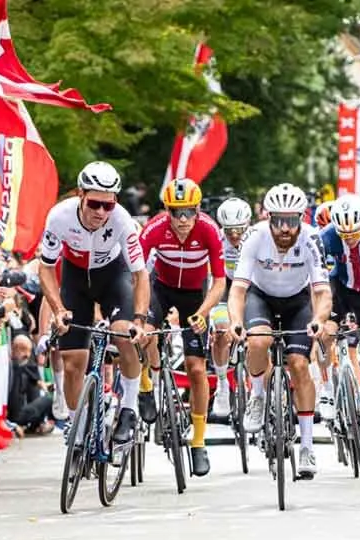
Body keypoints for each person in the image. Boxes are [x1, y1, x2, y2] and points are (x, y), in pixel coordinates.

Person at [37, 162, 148, 445]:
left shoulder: (122, 220)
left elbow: (140, 274)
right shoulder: (59, 217)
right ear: (80, 194)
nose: (101, 212)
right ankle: (77, 424)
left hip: (113, 278)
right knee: (73, 362)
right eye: (95, 204)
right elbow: (46, 268)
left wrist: (139, 320)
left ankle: (129, 408)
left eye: (108, 205)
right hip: (75, 280)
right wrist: (58, 309)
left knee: (124, 334)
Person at [229, 182, 331, 478]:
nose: (285, 228)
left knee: (299, 365)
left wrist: (319, 319)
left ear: (302, 218)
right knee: (258, 342)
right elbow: (238, 290)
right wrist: (236, 321)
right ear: (268, 218)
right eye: (278, 221)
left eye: (292, 220)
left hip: (297, 301)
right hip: (261, 297)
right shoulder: (255, 236)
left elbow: (322, 292)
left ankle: (307, 447)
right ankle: (258, 395)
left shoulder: (312, 238)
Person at [139, 178, 226, 476]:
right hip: (160, 288)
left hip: (194, 295)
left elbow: (219, 282)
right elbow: (136, 272)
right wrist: (138, 312)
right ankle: (146, 385)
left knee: (196, 369)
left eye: (189, 212)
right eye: (176, 213)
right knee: (145, 334)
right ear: (167, 211)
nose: (183, 220)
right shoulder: (154, 228)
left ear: (198, 209)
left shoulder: (209, 230)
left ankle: (199, 442)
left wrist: (203, 313)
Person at [319, 194, 360, 459]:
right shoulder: (326, 237)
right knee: (325, 334)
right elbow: (319, 278)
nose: (349, 239)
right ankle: (327, 391)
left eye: (354, 234)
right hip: (342, 291)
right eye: (343, 235)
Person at [210, 197, 254, 416]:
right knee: (220, 332)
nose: (234, 235)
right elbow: (211, 278)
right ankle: (222, 384)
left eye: (239, 230)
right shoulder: (216, 239)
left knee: (259, 334)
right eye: (229, 231)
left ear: (248, 224)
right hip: (225, 286)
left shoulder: (257, 237)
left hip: (252, 287)